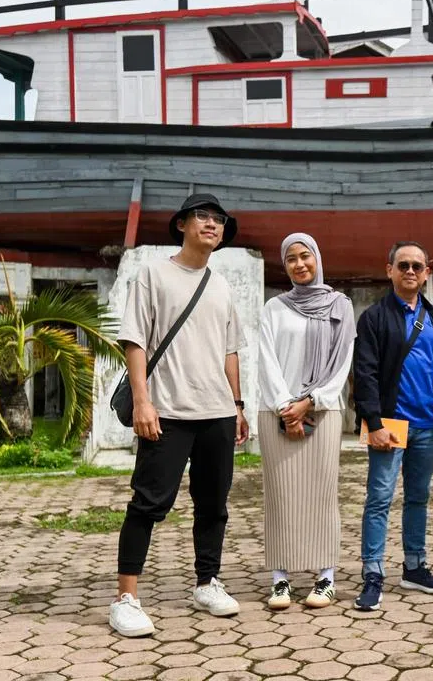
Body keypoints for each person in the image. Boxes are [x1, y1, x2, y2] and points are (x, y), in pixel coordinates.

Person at [109, 193, 251, 638]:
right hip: (167, 410)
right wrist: (143, 402)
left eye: (219, 219)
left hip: (217, 412)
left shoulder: (221, 285)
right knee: (148, 503)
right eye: (202, 216)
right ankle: (126, 598)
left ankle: (207, 582)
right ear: (182, 225)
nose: (212, 224)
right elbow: (135, 340)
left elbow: (230, 351)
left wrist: (237, 405)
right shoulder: (153, 274)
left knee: (213, 505)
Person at [352, 241, 433, 612]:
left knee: (418, 497)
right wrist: (373, 422)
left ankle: (415, 567)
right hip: (390, 424)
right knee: (379, 499)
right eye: (403, 265)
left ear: (427, 273)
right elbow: (365, 373)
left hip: (426, 425)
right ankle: (372, 574)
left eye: (418, 265)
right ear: (389, 270)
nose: (411, 271)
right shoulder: (374, 318)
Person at [257, 233, 355, 610]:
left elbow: (342, 361)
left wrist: (310, 402)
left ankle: (325, 577)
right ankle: (280, 580)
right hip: (277, 411)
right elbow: (267, 361)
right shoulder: (274, 308)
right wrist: (288, 407)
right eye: (291, 259)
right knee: (280, 496)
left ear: (317, 258)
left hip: (324, 411)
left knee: (322, 495)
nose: (300, 264)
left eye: (305, 256)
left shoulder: (340, 306)